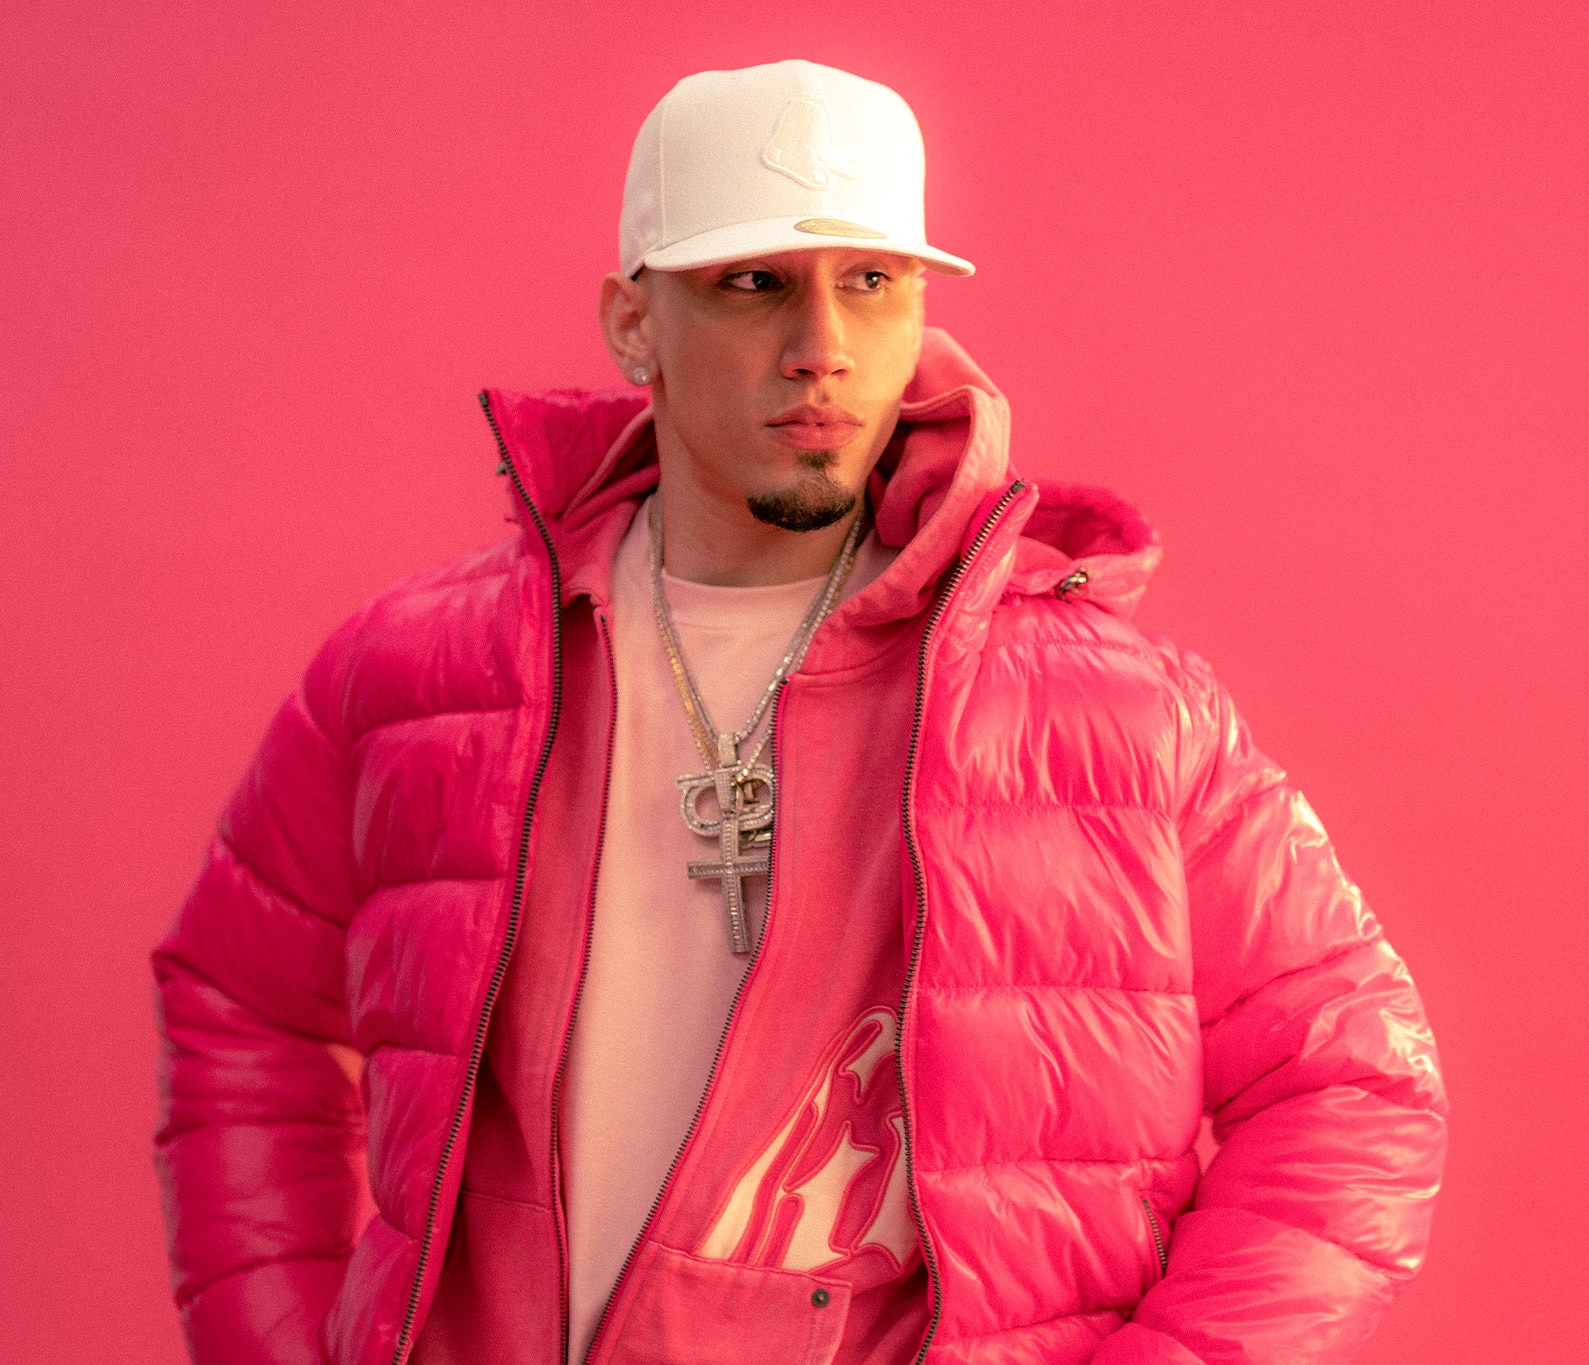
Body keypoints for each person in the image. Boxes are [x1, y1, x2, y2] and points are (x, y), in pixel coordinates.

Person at [150, 59, 1446, 1365]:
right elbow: (240, 1006)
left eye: (870, 281)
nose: (822, 343)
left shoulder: (1118, 712)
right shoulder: (419, 676)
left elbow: (1355, 1081)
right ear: (633, 322)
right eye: (753, 282)